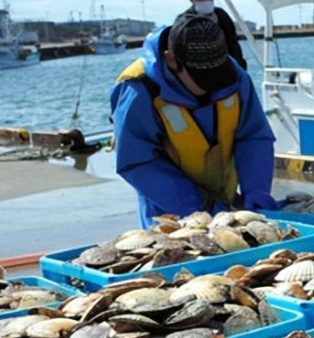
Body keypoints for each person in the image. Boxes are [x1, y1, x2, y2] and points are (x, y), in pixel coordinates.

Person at [111, 11, 277, 228]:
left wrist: (256, 188)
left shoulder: (234, 77)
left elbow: (253, 134)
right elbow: (138, 161)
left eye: (218, 74)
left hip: (225, 204)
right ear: (171, 59)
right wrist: (192, 205)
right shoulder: (138, 90)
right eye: (203, 78)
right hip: (169, 213)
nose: (213, 84)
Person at [185, 0, 246, 70]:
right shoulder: (185, 22)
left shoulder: (221, 15)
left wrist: (241, 70)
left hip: (227, 71)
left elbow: (233, 44)